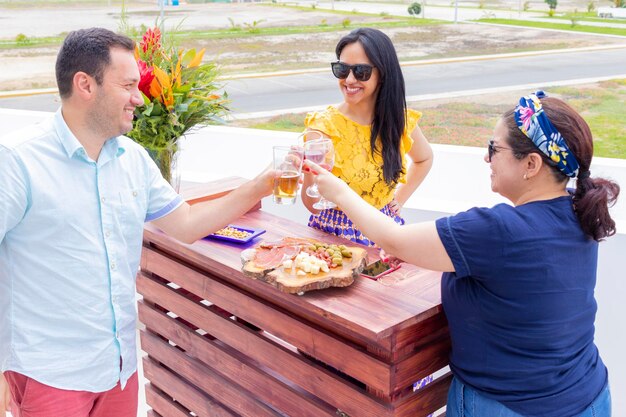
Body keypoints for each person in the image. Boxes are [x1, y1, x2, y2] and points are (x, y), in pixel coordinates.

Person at [0, 28, 276, 417]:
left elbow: (187, 224)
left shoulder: (133, 158)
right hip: (49, 374)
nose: (139, 97)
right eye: (128, 85)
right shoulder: (17, 161)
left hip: (119, 370)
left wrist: (265, 181)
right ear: (85, 85)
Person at [306, 91, 619, 417]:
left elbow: (393, 240)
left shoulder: (499, 229)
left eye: (494, 149)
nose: (487, 158)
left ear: (531, 164)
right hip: (590, 397)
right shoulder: (577, 207)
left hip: (509, 406)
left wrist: (338, 190)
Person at [301, 27, 433, 247]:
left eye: (361, 71)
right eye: (342, 69)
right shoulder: (322, 127)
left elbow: (424, 159)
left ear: (382, 73)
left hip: (386, 232)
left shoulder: (399, 121)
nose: (349, 79)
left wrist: (398, 200)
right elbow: (312, 203)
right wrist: (308, 173)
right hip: (335, 237)